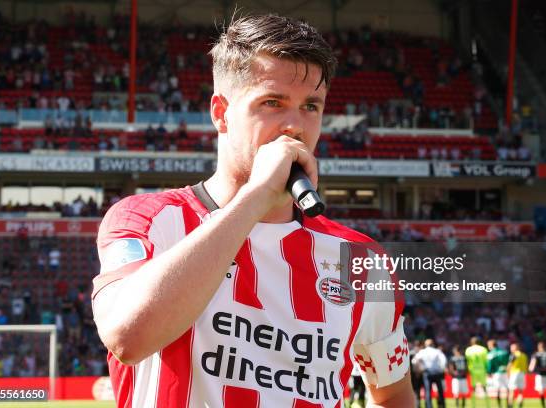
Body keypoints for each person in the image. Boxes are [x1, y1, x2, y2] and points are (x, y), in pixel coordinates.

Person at [91, 14, 413, 407]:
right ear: (220, 113)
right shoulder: (148, 219)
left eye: (311, 105)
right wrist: (257, 195)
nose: (294, 125)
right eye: (272, 103)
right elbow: (127, 337)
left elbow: (394, 392)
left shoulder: (361, 260)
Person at [412, 339, 446, 408]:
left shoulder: (422, 352)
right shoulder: (437, 351)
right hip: (437, 373)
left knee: (428, 392)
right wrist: (441, 369)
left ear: (425, 345)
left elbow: (414, 361)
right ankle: (442, 405)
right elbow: (444, 360)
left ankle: (429, 406)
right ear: (433, 344)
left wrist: (420, 368)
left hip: (427, 373)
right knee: (440, 391)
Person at [465, 336, 489, 408]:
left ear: (472, 342)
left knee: (473, 388)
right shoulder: (484, 349)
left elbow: (467, 361)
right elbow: (486, 361)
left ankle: (473, 405)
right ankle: (487, 405)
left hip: (472, 370)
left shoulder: (468, 350)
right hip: (482, 370)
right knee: (484, 387)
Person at [529, 341, 546, 408]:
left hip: (539, 374)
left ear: (538, 347)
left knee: (541, 390)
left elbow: (532, 365)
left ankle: (543, 405)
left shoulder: (536, 354)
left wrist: (530, 370)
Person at [487, 339, 510, 408]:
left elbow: (490, 365)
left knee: (498, 390)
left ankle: (500, 406)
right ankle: (508, 405)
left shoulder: (491, 354)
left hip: (497, 373)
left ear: (491, 345)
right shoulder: (504, 352)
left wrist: (489, 372)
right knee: (507, 389)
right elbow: (509, 362)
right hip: (505, 372)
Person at [507, 342, 528, 408]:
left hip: (514, 373)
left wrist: (508, 374)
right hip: (522, 373)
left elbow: (509, 366)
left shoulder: (514, 355)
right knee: (520, 392)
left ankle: (510, 406)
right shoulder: (524, 355)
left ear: (515, 348)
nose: (511, 349)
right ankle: (520, 406)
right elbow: (526, 366)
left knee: (511, 391)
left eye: (512, 347)